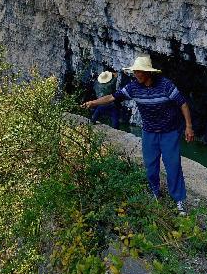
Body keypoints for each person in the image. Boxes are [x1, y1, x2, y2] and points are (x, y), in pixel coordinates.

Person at [82, 55, 194, 214]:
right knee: (150, 167)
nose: (135, 75)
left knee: (173, 166)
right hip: (149, 132)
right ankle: (155, 193)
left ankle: (179, 200)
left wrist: (188, 127)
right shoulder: (134, 87)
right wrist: (94, 102)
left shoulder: (166, 85)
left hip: (169, 132)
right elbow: (112, 97)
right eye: (134, 72)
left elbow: (182, 104)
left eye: (138, 72)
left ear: (147, 73)